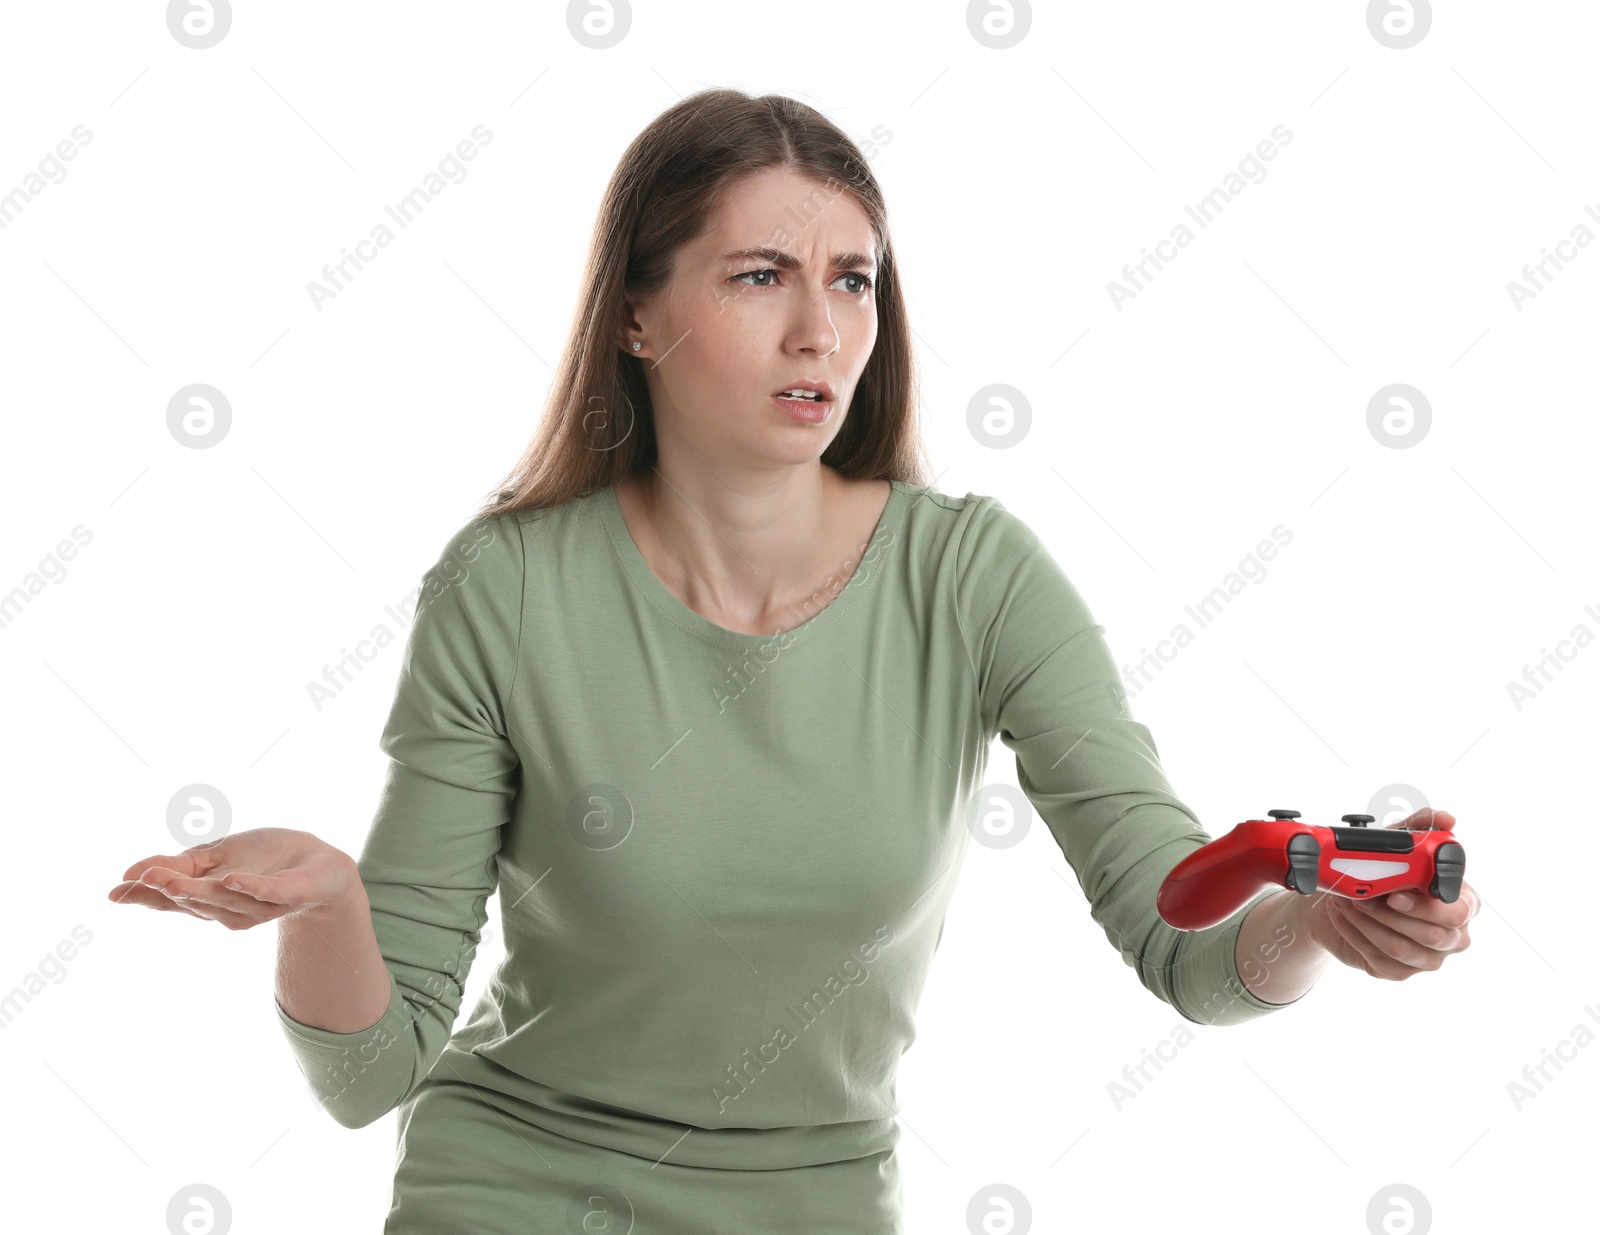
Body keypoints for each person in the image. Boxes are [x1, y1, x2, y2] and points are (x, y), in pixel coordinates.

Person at [107, 87, 1479, 1233]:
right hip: (510, 1194)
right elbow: (370, 1077)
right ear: (637, 318)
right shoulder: (507, 587)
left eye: (852, 281)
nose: (820, 330)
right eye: (760, 276)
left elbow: (1187, 945)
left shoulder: (973, 578)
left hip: (819, 1202)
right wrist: (329, 901)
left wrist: (1318, 918)